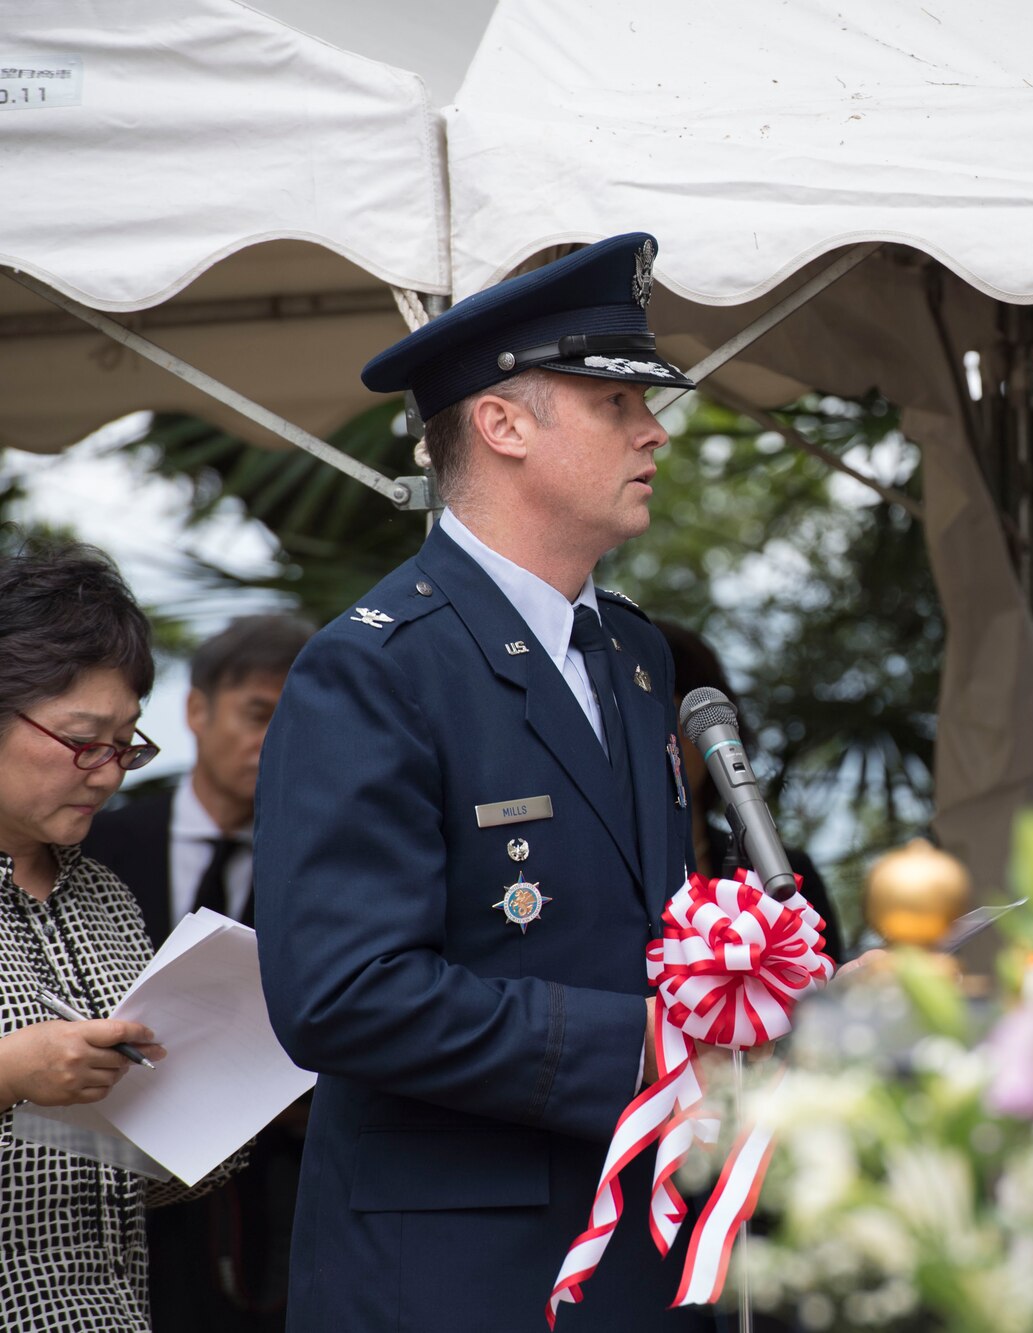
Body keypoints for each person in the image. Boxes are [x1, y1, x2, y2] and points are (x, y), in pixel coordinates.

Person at [254, 233, 711, 1331]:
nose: (653, 429)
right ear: (502, 423)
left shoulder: (637, 656)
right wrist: (648, 1049)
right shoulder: (373, 664)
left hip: (640, 1254)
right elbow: (343, 993)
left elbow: (637, 927)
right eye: (612, 401)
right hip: (458, 1275)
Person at [0, 537, 220, 1332]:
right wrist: (11, 1073)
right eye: (83, 740)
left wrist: (214, 1113)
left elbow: (124, 1178)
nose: (110, 770)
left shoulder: (105, 896)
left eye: (126, 743)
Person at [82, 614, 313, 1333]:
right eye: (257, 713)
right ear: (196, 710)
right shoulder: (95, 839)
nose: (271, 740)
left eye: (294, 720)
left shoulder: (321, 863)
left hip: (272, 1208)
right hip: (102, 1202)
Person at [658, 620, 845, 961]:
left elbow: (829, 995)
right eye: (657, 726)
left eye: (682, 724)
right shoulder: (602, 874)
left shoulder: (783, 868)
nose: (671, 746)